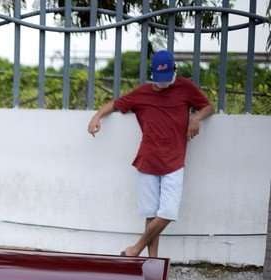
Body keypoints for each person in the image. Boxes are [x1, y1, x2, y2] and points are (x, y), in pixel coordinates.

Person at [87, 50, 214, 257]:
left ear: (175, 70)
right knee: (150, 213)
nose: (163, 83)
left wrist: (195, 118)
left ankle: (135, 249)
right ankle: (152, 261)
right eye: (159, 79)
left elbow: (209, 106)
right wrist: (97, 116)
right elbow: (116, 104)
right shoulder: (142, 92)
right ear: (153, 73)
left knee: (168, 213)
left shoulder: (185, 87)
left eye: (167, 78)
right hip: (148, 160)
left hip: (174, 161)